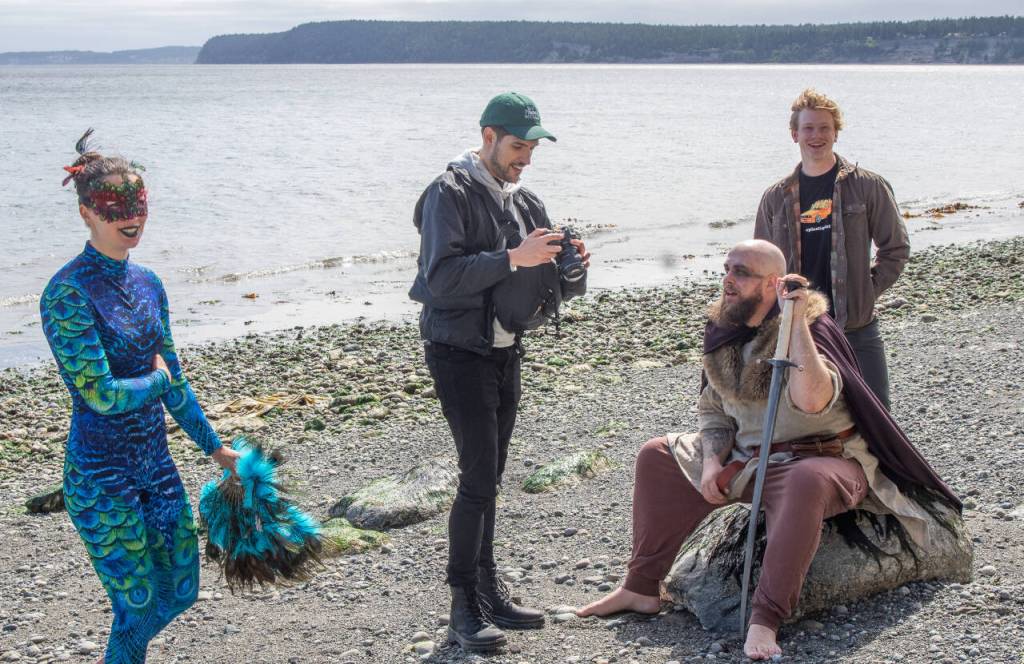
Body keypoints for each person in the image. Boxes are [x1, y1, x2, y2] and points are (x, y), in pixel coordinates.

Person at [577, 240, 958, 660]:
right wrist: (709, 465)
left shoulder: (811, 330)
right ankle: (641, 588)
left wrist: (794, 322)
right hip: (749, 458)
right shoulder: (725, 331)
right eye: (727, 268)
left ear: (774, 284)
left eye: (741, 272)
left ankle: (766, 618)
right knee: (657, 455)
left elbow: (813, 401)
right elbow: (713, 412)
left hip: (826, 458)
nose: (728, 279)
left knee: (805, 480)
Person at [41, 130, 239, 664]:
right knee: (135, 606)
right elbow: (101, 394)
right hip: (101, 478)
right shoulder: (67, 293)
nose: (130, 216)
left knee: (180, 592)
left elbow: (175, 378)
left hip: (156, 465)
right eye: (114, 206)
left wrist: (215, 448)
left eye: (138, 203)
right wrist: (156, 382)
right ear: (86, 211)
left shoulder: (149, 283)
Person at [409, 92, 589, 652]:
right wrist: (514, 258)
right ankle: (463, 605)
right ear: (488, 136)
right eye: (518, 146)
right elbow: (439, 279)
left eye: (532, 147)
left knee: (491, 477)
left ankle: (488, 590)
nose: (526, 158)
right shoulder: (449, 193)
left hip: (506, 350)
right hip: (457, 351)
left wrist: (574, 268)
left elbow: (555, 285)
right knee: (478, 477)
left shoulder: (526, 202)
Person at [754, 88, 909, 409]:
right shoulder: (776, 197)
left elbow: (895, 248)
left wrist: (864, 290)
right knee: (802, 418)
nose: (816, 135)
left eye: (825, 127)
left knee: (877, 414)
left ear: (836, 132)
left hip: (856, 327)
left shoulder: (867, 186)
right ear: (794, 134)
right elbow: (760, 267)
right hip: (798, 329)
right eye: (808, 128)